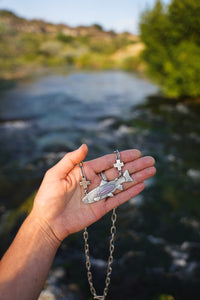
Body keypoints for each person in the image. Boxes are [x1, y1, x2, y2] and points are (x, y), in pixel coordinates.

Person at [0, 144, 156, 300]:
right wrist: (45, 223)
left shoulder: (92, 193)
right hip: (107, 187)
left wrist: (45, 225)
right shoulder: (90, 195)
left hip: (107, 186)